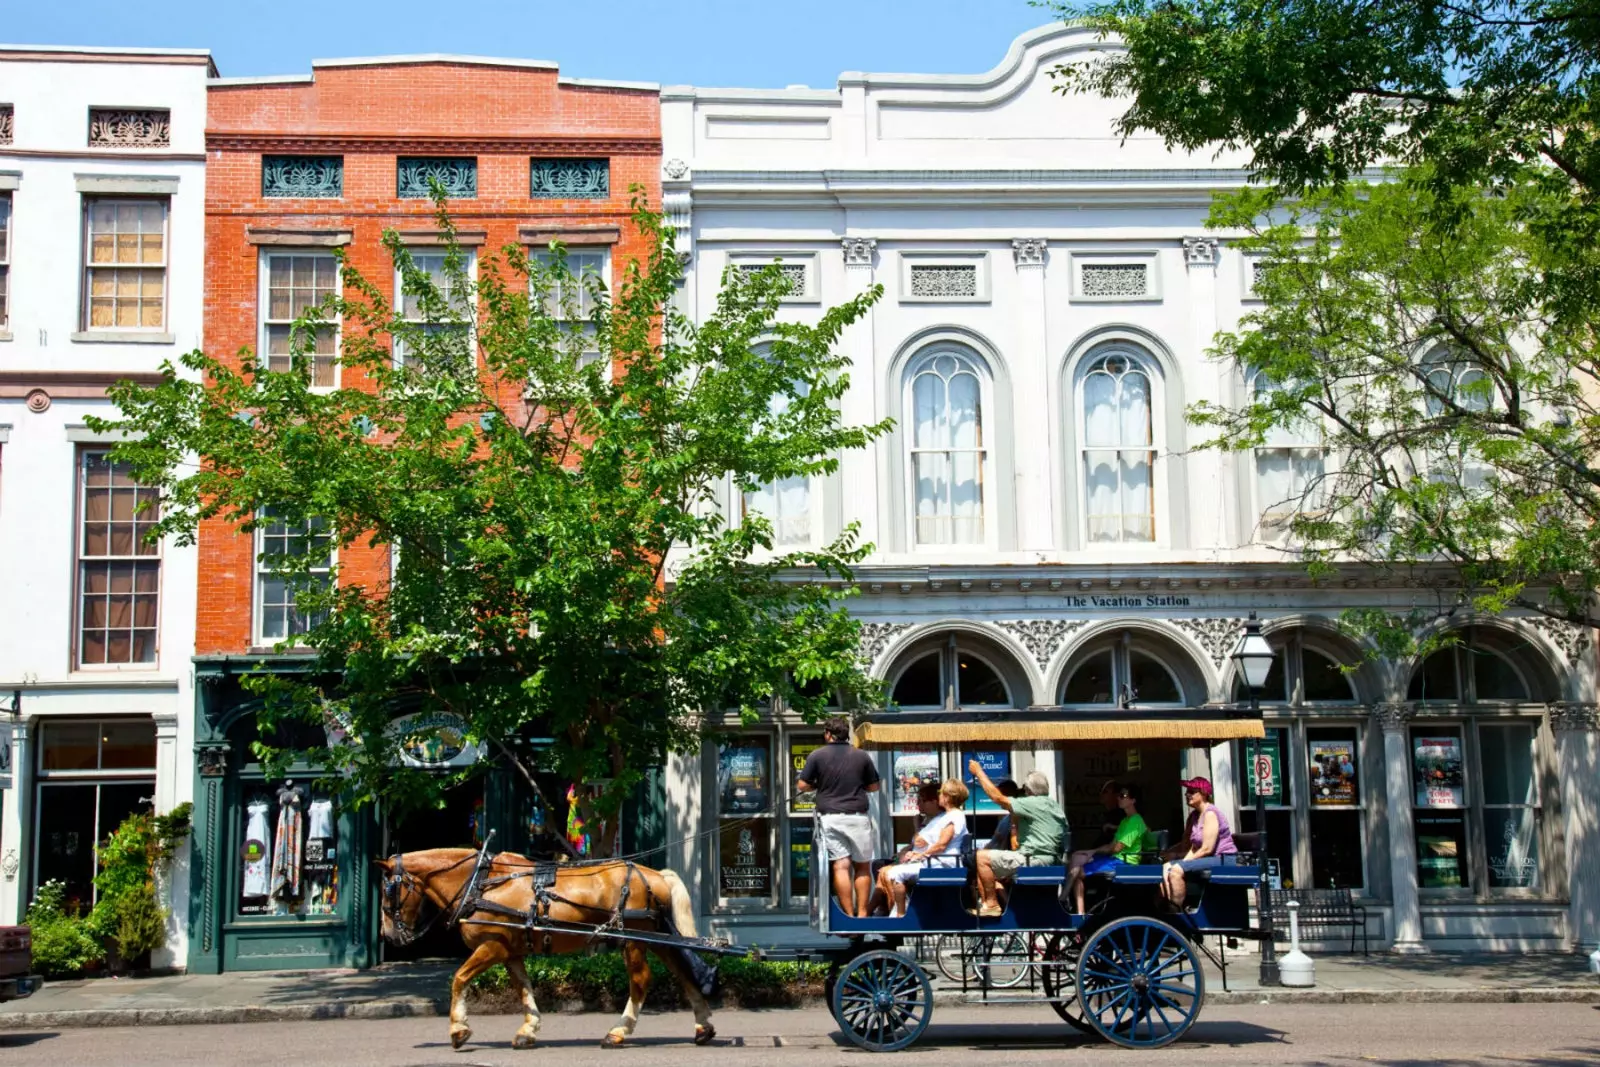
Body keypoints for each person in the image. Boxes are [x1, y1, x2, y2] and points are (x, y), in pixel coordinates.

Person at [797, 716, 882, 918]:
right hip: (858, 817)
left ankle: (849, 914)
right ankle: (862, 913)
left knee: (841, 866)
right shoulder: (861, 756)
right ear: (846, 734)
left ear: (828, 734)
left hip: (831, 818)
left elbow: (802, 785)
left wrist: (820, 784)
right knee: (862, 866)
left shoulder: (817, 756)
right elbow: (874, 786)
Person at [969, 763, 1066, 918]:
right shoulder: (1054, 806)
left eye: (1025, 789)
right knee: (992, 863)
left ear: (1029, 790)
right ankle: (1000, 902)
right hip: (1052, 861)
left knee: (980, 857)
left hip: (1033, 860)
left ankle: (991, 904)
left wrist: (979, 772)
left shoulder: (1032, 803)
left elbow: (997, 797)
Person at [875, 778, 969, 917]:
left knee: (895, 873)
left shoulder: (955, 816)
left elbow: (941, 845)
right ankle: (897, 911)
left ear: (948, 797)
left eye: (942, 794)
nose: (940, 797)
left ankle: (901, 915)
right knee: (892, 872)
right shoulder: (945, 817)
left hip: (944, 863)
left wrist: (920, 855)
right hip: (936, 861)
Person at [1066, 783, 1148, 914]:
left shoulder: (1135, 821)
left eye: (1123, 796)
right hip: (1116, 860)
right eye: (1119, 795)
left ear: (1133, 800)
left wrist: (1092, 852)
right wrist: (1089, 852)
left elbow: (1116, 848)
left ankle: (1079, 914)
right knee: (1077, 859)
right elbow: (1111, 845)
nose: (1119, 798)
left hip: (1124, 863)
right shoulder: (1125, 821)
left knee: (1078, 872)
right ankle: (1074, 907)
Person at [1161, 776, 1238, 907]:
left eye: (1191, 791)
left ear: (1203, 793)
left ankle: (1177, 911)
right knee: (1167, 867)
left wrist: (1181, 864)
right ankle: (1169, 904)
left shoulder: (1210, 813)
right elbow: (1194, 847)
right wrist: (1179, 860)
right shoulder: (1195, 816)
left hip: (1223, 858)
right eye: (1187, 791)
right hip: (1209, 857)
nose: (1187, 794)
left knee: (1176, 871)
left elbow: (1207, 848)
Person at [986, 779, 1025, 851]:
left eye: (1003, 793)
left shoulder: (1023, 818)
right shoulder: (1004, 821)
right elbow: (994, 842)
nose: (1000, 798)